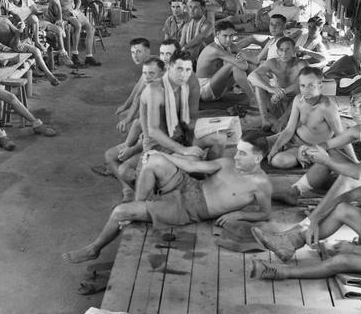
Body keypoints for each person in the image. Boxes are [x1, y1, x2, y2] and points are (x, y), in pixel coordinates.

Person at [63, 134, 272, 264]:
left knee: (119, 212)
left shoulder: (261, 185)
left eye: (243, 154)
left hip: (189, 209)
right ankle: (139, 206)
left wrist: (240, 214)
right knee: (153, 161)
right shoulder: (228, 163)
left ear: (257, 157)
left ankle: (94, 249)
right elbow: (193, 167)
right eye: (237, 151)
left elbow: (265, 213)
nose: (236, 156)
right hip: (190, 185)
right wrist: (161, 156)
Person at [251, 137, 361, 281]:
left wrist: (354, 249)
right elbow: (347, 196)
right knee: (342, 209)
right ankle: (290, 243)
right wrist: (314, 219)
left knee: (341, 260)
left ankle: (283, 272)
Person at [274, 87, 361, 207]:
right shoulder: (359, 129)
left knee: (345, 179)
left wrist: (325, 160)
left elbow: (359, 173)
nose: (356, 111)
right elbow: (327, 144)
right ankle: (294, 191)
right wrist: (305, 149)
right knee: (330, 153)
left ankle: (309, 224)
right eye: (353, 105)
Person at [265, 66, 351, 169]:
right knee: (253, 145)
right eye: (303, 86)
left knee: (278, 161)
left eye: (311, 86)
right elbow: (289, 130)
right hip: (293, 138)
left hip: (310, 147)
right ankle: (280, 148)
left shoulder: (327, 107)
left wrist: (355, 162)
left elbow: (342, 136)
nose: (306, 90)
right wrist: (276, 147)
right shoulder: (298, 100)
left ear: (320, 86)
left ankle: (302, 156)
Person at [105, 58, 166, 202]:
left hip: (161, 146)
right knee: (110, 156)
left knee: (125, 170)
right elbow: (139, 123)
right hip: (146, 140)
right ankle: (128, 190)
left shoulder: (164, 96)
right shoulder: (150, 90)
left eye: (152, 73)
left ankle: (146, 201)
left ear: (163, 73)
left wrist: (132, 149)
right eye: (144, 73)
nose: (147, 77)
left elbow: (157, 137)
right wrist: (127, 145)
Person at [0, 3, 60, 86]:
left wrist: (20, 27)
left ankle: (37, 41)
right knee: (36, 51)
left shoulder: (4, 20)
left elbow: (15, 31)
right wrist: (0, 47)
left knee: (33, 18)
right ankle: (49, 75)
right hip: (14, 44)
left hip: (19, 37)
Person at [248, 37, 308, 130]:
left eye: (288, 50)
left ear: (293, 51)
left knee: (302, 95)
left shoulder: (301, 64)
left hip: (294, 103)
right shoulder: (272, 62)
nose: (284, 54)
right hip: (277, 101)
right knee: (258, 86)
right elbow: (251, 76)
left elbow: (304, 82)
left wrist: (284, 92)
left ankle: (281, 121)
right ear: (277, 51)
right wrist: (270, 89)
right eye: (281, 50)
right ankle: (265, 119)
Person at [49, 0, 101, 68]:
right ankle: (75, 54)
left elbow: (78, 0)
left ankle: (89, 57)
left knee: (91, 29)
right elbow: (52, 1)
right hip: (64, 12)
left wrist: (76, 10)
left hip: (73, 11)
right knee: (78, 25)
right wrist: (59, 15)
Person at [195, 21, 255, 104]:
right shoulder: (215, 49)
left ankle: (261, 91)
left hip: (217, 88)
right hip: (204, 91)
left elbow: (249, 60)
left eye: (231, 36)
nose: (228, 40)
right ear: (217, 34)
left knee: (245, 65)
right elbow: (244, 66)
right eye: (225, 36)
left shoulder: (229, 45)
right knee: (233, 65)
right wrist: (243, 58)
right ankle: (254, 99)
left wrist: (243, 56)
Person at [114, 38, 152, 131]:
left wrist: (127, 119)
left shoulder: (151, 65)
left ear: (147, 52)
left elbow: (138, 95)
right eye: (133, 52)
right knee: (124, 113)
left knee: (125, 118)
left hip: (165, 108)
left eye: (139, 52)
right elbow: (138, 86)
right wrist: (126, 105)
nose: (135, 56)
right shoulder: (149, 61)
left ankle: (139, 141)